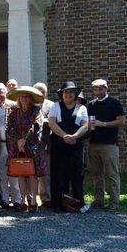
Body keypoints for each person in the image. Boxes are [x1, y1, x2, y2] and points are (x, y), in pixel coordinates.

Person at [48, 82, 89, 213]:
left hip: (76, 146)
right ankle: (58, 204)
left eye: (71, 92)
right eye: (66, 92)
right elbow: (52, 123)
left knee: (77, 175)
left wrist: (74, 136)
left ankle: (77, 204)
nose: (68, 94)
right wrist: (65, 136)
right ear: (62, 94)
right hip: (59, 146)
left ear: (75, 94)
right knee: (59, 174)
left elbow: (85, 125)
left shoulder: (81, 108)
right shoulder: (55, 106)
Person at [87, 79, 126, 211]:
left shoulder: (114, 102)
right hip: (93, 144)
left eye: (100, 89)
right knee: (97, 175)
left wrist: (103, 124)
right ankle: (99, 201)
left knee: (112, 175)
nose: (98, 91)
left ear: (106, 88)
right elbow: (89, 123)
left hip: (109, 145)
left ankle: (114, 203)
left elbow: (121, 121)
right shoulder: (91, 104)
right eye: (95, 89)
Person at [6, 86, 46, 212]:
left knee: (32, 174)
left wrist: (24, 140)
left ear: (30, 98)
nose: (24, 98)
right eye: (22, 96)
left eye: (27, 96)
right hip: (18, 147)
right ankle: (23, 199)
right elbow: (9, 129)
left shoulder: (36, 110)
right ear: (19, 98)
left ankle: (33, 200)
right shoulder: (13, 112)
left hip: (32, 147)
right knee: (21, 173)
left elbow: (36, 126)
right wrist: (18, 141)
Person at [0, 83, 20, 209]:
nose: (0, 95)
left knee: (14, 173)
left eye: (2, 92)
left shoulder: (13, 106)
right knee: (2, 174)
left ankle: (17, 200)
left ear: (6, 93)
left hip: (12, 145)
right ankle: (5, 200)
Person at [33, 82, 55, 208]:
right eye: (38, 91)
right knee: (32, 172)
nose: (41, 93)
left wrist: (43, 121)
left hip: (46, 142)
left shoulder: (51, 105)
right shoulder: (30, 103)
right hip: (32, 142)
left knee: (45, 172)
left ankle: (46, 198)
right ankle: (31, 199)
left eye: (43, 91)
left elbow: (53, 121)